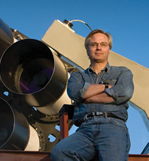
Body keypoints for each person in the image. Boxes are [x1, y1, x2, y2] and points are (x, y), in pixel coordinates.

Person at [51, 29, 134, 161]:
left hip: (112, 126)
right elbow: (74, 92)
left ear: (109, 49)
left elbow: (124, 93)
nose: (99, 48)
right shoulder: (78, 76)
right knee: (60, 152)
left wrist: (87, 95)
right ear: (87, 49)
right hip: (85, 129)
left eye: (103, 44)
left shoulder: (122, 73)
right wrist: (107, 87)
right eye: (94, 44)